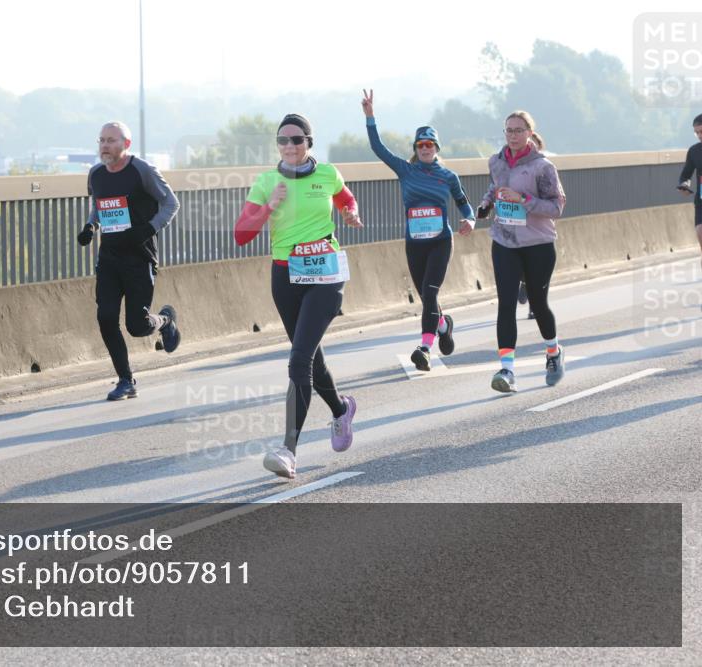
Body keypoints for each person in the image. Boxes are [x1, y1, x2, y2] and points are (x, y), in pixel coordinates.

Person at [234, 113, 363, 479]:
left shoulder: (328, 174)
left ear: (309, 142)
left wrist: (350, 213)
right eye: (282, 140)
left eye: (297, 140)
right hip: (285, 274)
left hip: (325, 271)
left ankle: (288, 449)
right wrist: (269, 207)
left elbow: (346, 199)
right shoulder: (266, 182)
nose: (289, 146)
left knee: (298, 359)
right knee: (309, 358)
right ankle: (340, 410)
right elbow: (241, 234)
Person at [360, 89, 475, 371]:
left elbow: (464, 204)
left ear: (437, 148)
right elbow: (378, 148)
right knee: (427, 297)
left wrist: (470, 220)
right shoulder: (405, 170)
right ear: (415, 148)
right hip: (414, 243)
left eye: (430, 144)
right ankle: (443, 324)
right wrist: (370, 117)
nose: (425, 148)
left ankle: (424, 348)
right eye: (420, 144)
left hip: (440, 241)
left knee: (430, 292)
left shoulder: (448, 176)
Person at [76, 121, 182, 401]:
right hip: (109, 258)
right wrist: (90, 227)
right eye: (101, 140)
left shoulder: (142, 171)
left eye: (111, 140)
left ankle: (166, 320)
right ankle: (125, 380)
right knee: (106, 317)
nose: (105, 146)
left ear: (126, 144)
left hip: (139, 257)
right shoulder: (96, 174)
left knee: (137, 326)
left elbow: (171, 204)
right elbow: (99, 207)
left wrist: (148, 229)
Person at [477, 111, 567, 393]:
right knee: (506, 303)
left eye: (518, 130)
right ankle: (507, 370)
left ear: (530, 132)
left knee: (538, 304)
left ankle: (553, 353)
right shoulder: (496, 161)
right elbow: (495, 186)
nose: (512, 135)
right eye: (508, 130)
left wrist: (523, 199)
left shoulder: (543, 167)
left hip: (538, 244)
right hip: (505, 241)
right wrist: (485, 205)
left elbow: (556, 207)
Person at [676, 113, 702, 269]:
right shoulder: (694, 151)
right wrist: (684, 185)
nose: (699, 135)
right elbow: (686, 174)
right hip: (701, 199)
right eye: (696, 132)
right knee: (700, 230)